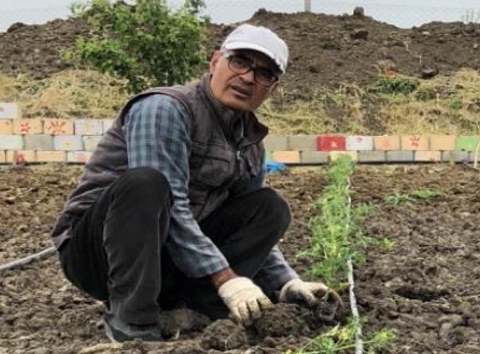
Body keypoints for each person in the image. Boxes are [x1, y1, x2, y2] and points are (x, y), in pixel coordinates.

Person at [51, 23, 331, 343]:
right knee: (147, 183)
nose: (249, 78)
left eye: (265, 73)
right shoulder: (166, 108)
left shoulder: (250, 142)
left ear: (272, 88)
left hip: (167, 260)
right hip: (98, 253)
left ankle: (196, 309)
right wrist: (226, 278)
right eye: (240, 61)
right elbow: (172, 207)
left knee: (269, 208)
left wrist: (286, 283)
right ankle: (132, 321)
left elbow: (247, 222)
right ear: (215, 62)